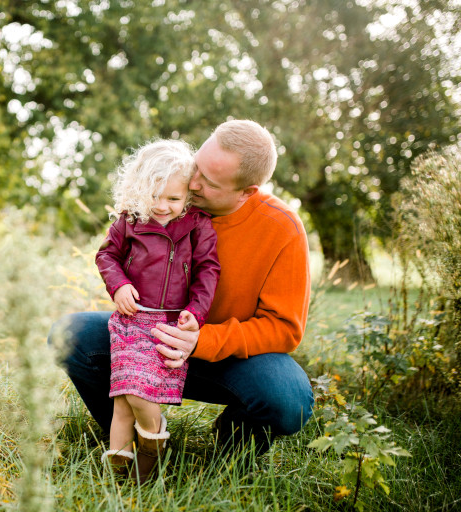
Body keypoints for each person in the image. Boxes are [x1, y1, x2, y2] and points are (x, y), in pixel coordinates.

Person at [49, 119, 314, 472]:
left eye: (209, 181)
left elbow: (285, 329)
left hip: (226, 357)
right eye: (197, 167)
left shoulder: (281, 228)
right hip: (151, 337)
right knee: (71, 335)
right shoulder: (169, 200)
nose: (193, 183)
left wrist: (201, 340)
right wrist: (121, 286)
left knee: (288, 399)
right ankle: (134, 439)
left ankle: (230, 450)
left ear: (246, 192)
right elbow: (117, 251)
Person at [94, 139, 220, 483]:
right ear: (139, 189)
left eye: (173, 199)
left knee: (135, 396)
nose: (162, 206)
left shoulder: (197, 226)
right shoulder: (129, 221)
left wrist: (197, 310)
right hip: (132, 319)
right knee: (125, 398)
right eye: (154, 196)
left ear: (188, 197)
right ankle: (123, 479)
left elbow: (208, 270)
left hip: (169, 325)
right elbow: (106, 256)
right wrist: (118, 284)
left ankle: (149, 453)